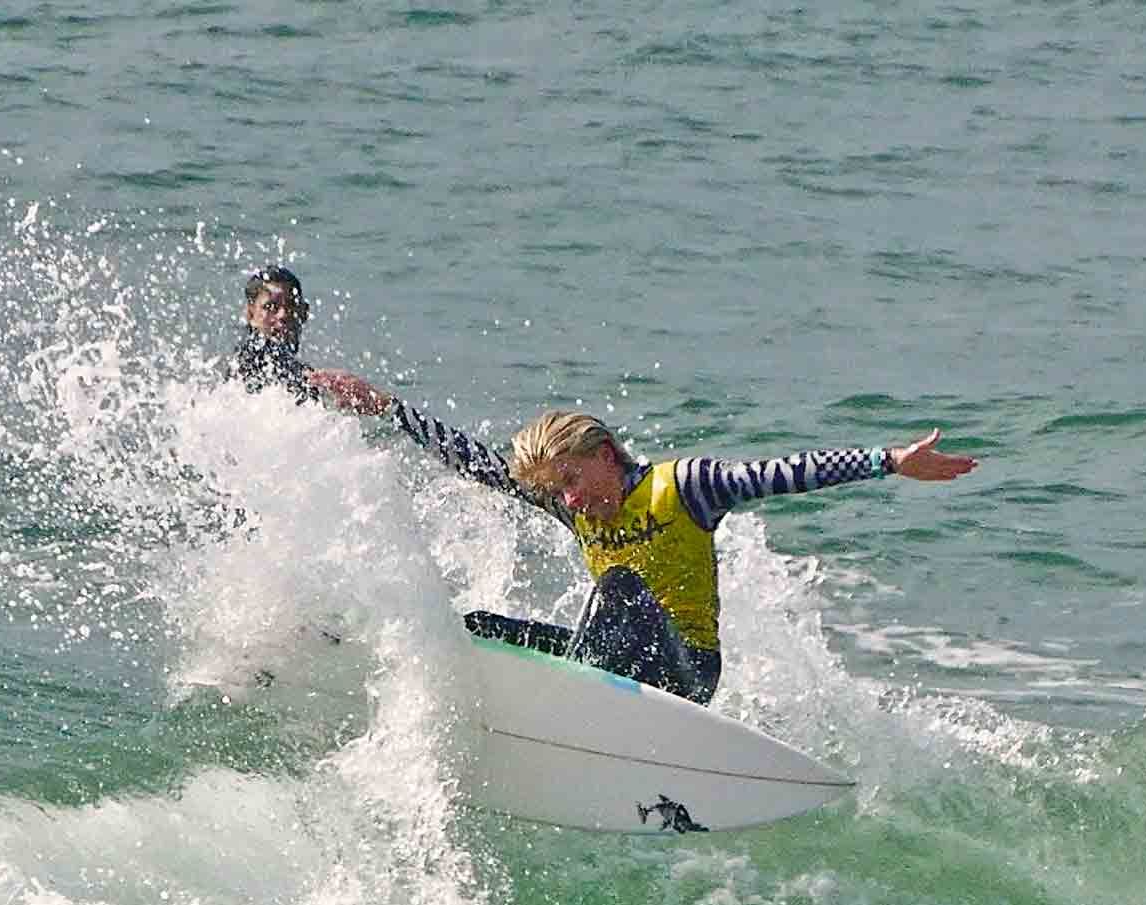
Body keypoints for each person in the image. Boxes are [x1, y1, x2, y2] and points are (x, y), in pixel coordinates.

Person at [369, 401, 978, 703]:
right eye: (558, 493)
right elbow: (477, 463)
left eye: (572, 481)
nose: (569, 501)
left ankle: (569, 703)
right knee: (475, 628)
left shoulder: (684, 487)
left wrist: (888, 461)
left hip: (682, 675)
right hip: (607, 667)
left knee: (619, 587)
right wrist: (386, 408)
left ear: (605, 455)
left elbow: (787, 472)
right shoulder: (573, 506)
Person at [220, 267, 391, 413]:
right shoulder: (250, 359)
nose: (283, 315)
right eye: (270, 307)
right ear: (250, 314)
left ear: (304, 312)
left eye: (291, 305)